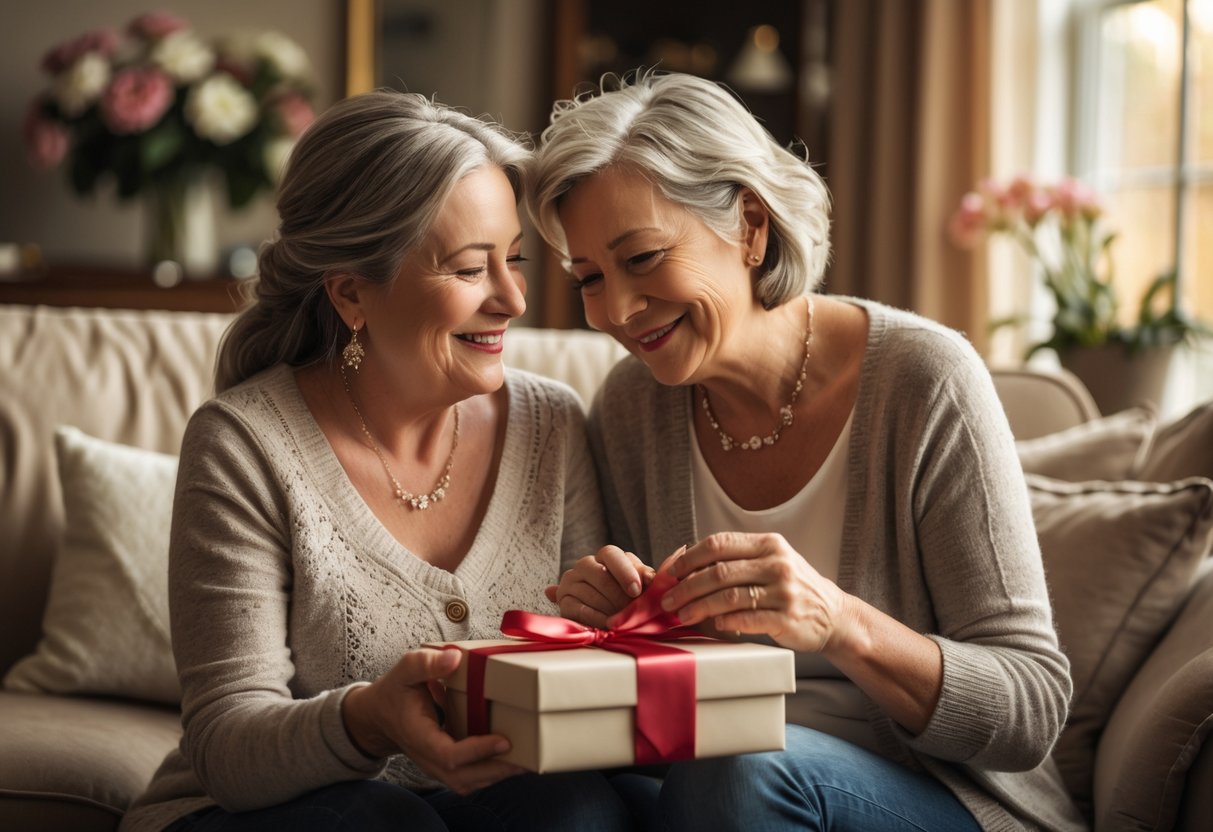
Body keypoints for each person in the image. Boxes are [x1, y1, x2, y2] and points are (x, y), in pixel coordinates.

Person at [527, 72, 1088, 831]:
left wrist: (840, 623)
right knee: (545, 802)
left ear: (750, 225)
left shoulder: (924, 381)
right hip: (705, 788)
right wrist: (617, 622)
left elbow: (1029, 708)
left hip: (934, 796)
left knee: (740, 773)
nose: (616, 311)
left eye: (644, 257)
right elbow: (656, 711)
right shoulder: (631, 407)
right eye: (589, 277)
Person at [120, 90, 634, 832]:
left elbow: (589, 688)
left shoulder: (550, 423)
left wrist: (624, 629)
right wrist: (369, 721)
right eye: (468, 270)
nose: (514, 298)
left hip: (485, 803)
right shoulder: (244, 443)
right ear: (352, 293)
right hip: (253, 813)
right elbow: (224, 746)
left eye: (514, 261)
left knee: (577, 812)